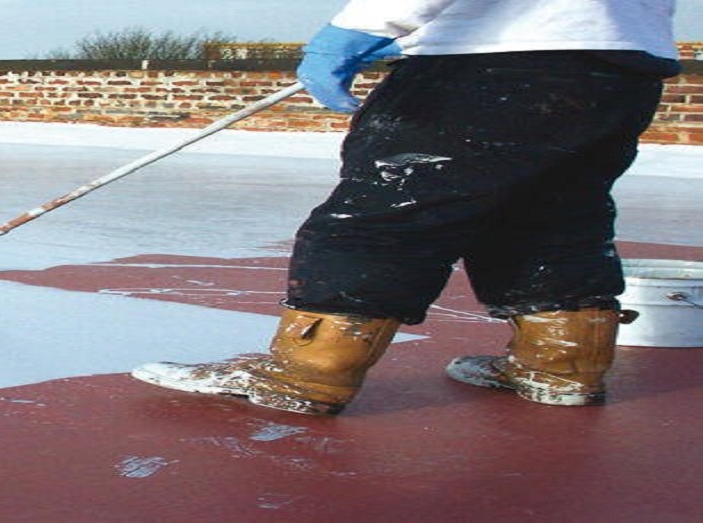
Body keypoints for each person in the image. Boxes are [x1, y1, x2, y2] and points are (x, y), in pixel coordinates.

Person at [131, 0, 681, 415]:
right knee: (548, 215)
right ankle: (562, 367)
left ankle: (307, 374)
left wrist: (370, 20)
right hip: (623, 65)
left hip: (491, 62)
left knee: (386, 213)